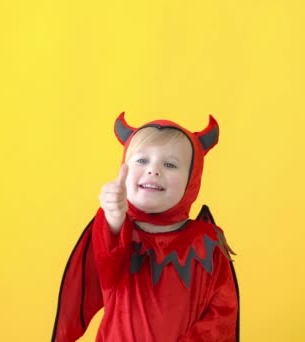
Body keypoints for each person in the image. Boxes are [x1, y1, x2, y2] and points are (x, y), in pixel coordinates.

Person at [51, 112, 239, 342]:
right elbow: (107, 255)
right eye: (141, 160)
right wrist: (112, 216)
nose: (154, 170)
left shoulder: (207, 243)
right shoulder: (119, 232)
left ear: (193, 179)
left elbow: (222, 315)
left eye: (170, 164)